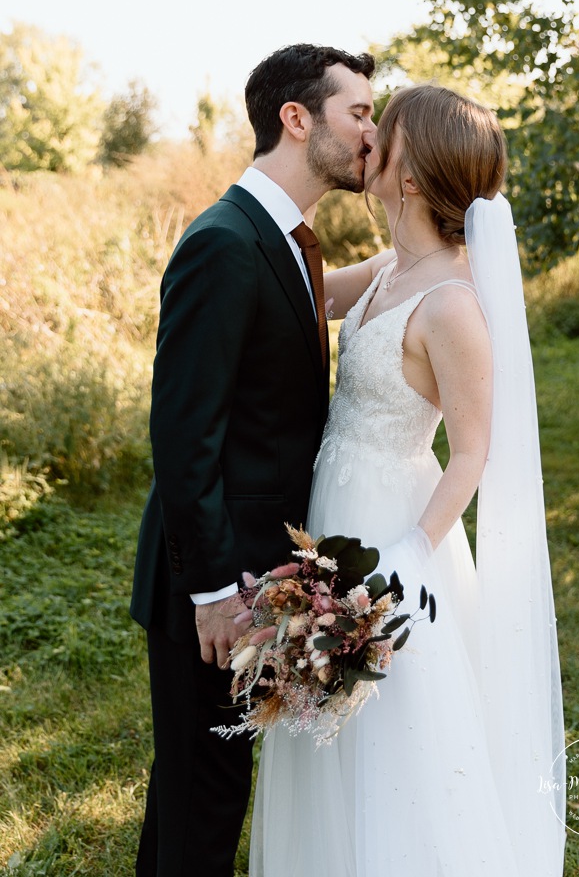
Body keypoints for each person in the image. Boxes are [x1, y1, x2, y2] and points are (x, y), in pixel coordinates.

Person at [249, 85, 566, 875]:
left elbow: (471, 455)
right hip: (333, 508)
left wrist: (408, 557)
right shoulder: (394, 266)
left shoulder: (451, 301)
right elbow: (308, 297)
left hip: (395, 535)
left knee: (396, 733)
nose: (365, 145)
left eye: (378, 136)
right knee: (328, 714)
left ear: (412, 175)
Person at [130, 43, 376, 876]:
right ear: (296, 119)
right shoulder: (225, 242)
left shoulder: (285, 241)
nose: (371, 133)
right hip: (213, 584)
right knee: (207, 792)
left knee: (192, 786)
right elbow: (182, 433)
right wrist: (209, 592)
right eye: (360, 113)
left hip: (254, 575)